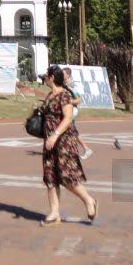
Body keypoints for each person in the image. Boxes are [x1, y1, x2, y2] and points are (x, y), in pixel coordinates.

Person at [38, 65, 96, 226]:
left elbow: (68, 118)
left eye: (46, 76)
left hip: (63, 142)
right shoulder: (49, 96)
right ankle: (54, 213)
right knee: (50, 177)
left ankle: (89, 200)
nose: (44, 79)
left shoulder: (64, 96)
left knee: (67, 177)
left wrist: (55, 136)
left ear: (52, 78)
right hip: (50, 142)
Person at [62, 67, 92, 160]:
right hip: (65, 110)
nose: (61, 75)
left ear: (68, 75)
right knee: (68, 129)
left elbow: (78, 100)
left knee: (70, 128)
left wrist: (69, 101)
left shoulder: (73, 86)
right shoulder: (62, 85)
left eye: (63, 73)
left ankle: (86, 148)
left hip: (72, 111)